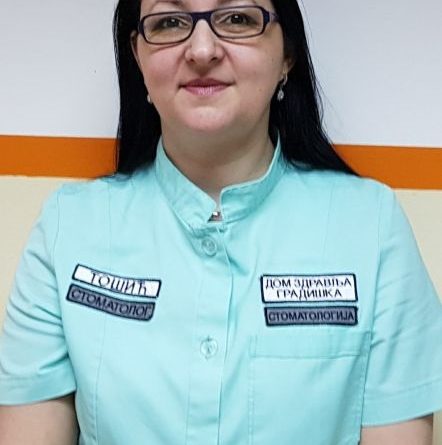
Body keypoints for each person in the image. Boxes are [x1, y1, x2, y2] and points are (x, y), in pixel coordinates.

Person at [0, 0, 441, 443]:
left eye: (237, 19)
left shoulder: (370, 229)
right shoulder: (70, 228)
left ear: (287, 55)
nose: (202, 50)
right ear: (138, 58)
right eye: (169, 22)